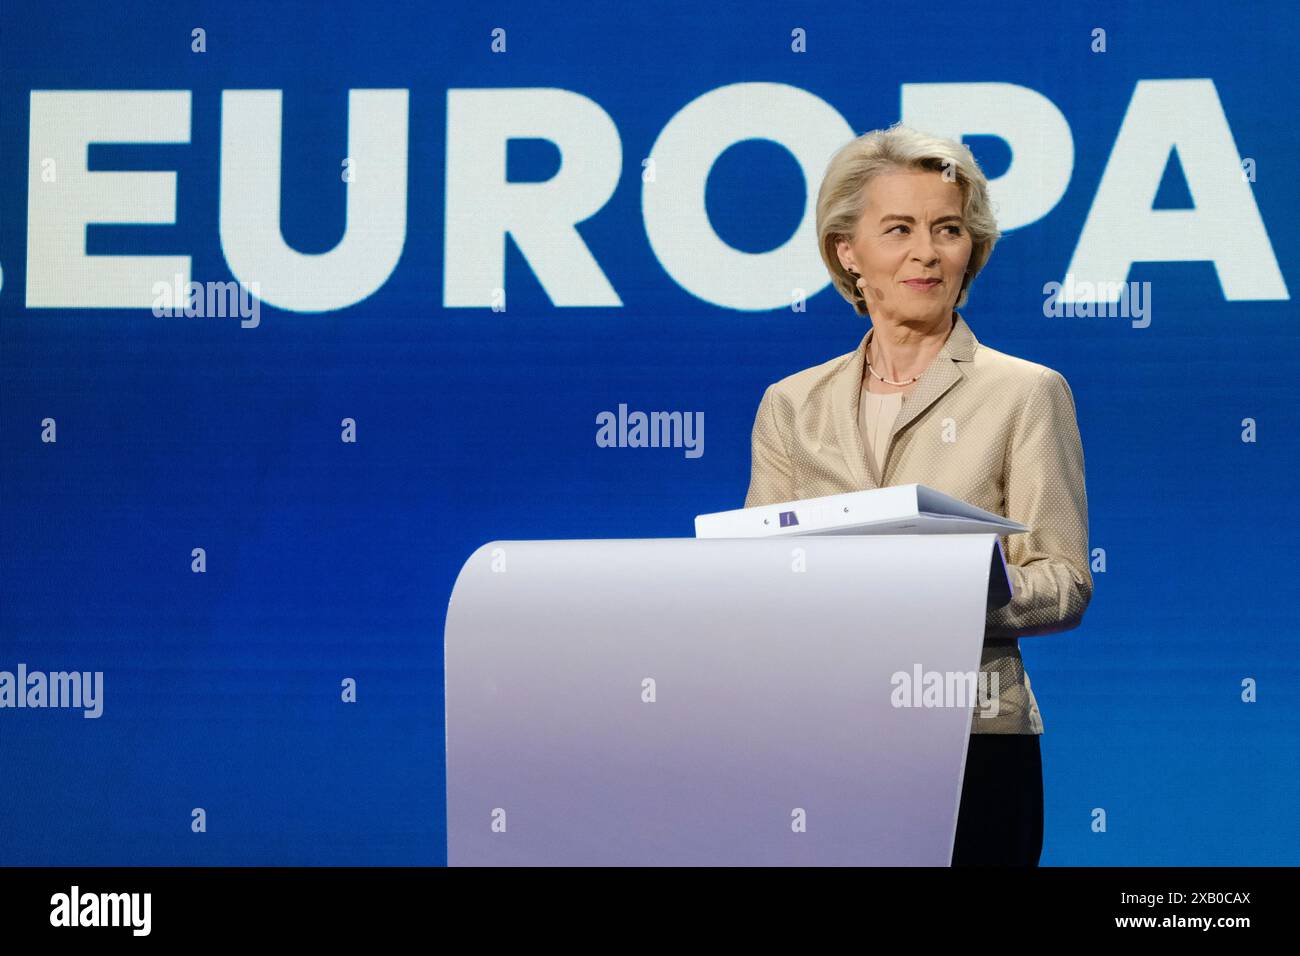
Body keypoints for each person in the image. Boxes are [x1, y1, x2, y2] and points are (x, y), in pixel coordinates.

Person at [744, 123, 1093, 866]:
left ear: (973, 248)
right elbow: (756, 580)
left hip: (974, 737)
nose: (927, 252)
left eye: (948, 229)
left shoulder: (1026, 393)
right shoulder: (790, 404)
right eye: (897, 229)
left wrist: (952, 590)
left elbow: (1065, 582)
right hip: (826, 741)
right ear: (848, 250)